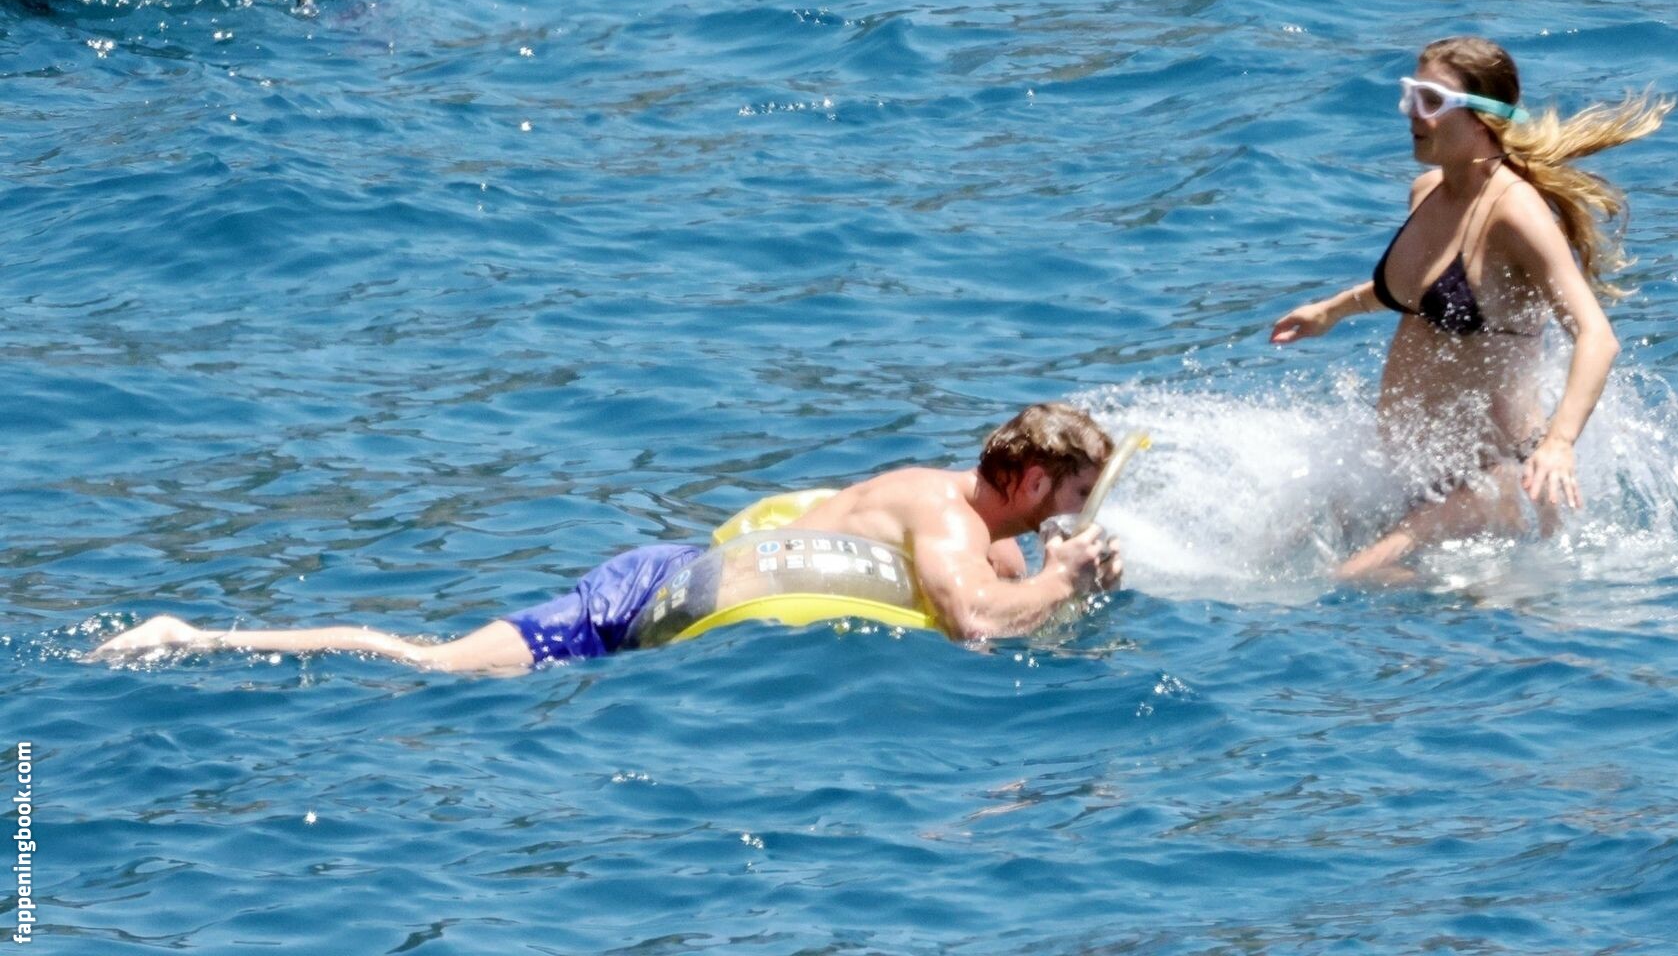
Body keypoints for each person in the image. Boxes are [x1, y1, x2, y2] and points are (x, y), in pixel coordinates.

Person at [90, 403, 1124, 672]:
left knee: (443, 659)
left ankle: (196, 635)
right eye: (1071, 497)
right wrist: (1067, 579)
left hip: (664, 568)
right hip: (661, 593)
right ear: (1033, 480)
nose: (1073, 516)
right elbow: (971, 621)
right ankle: (199, 636)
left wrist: (1050, 574)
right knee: (433, 665)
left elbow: (999, 588)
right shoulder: (942, 518)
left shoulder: (984, 527)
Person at [1271, 36, 1670, 584]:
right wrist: (1332, 311)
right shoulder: (1427, 192)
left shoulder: (1515, 215)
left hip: (1486, 481)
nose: (1413, 113)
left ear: (1484, 120)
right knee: (1280, 545)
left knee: (1348, 578)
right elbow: (1416, 291)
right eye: (1410, 94)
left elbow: (1597, 337)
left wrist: (1559, 444)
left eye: (1432, 100)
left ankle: (1484, 595)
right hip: (1410, 469)